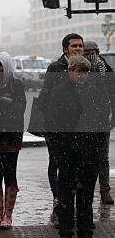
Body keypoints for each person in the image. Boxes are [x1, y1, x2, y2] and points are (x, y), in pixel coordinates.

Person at [48, 55, 110, 238]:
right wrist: (59, 151)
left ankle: (85, 228)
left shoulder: (95, 92)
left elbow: (101, 123)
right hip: (68, 153)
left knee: (86, 195)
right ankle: (66, 228)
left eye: (85, 72)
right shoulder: (59, 92)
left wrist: (97, 152)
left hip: (89, 153)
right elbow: (53, 124)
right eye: (78, 71)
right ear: (70, 72)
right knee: (66, 195)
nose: (82, 76)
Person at [36, 33, 85, 221]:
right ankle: (59, 199)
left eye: (80, 46)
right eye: (74, 46)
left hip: (80, 128)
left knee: (79, 166)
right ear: (65, 49)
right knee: (56, 164)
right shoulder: (55, 68)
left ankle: (72, 201)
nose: (78, 49)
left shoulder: (88, 67)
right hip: (58, 128)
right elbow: (45, 98)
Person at [0, 52, 26, 229]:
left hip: (10, 138)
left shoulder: (17, 85)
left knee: (10, 175)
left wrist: (4, 107)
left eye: (0, 68)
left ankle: (8, 215)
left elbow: (18, 111)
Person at [84, 40, 115, 205]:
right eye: (88, 52)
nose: (91, 55)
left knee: (102, 158)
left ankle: (105, 191)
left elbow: (113, 94)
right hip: (83, 121)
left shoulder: (105, 70)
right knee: (84, 157)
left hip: (102, 120)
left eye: (93, 52)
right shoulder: (81, 70)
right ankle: (84, 191)